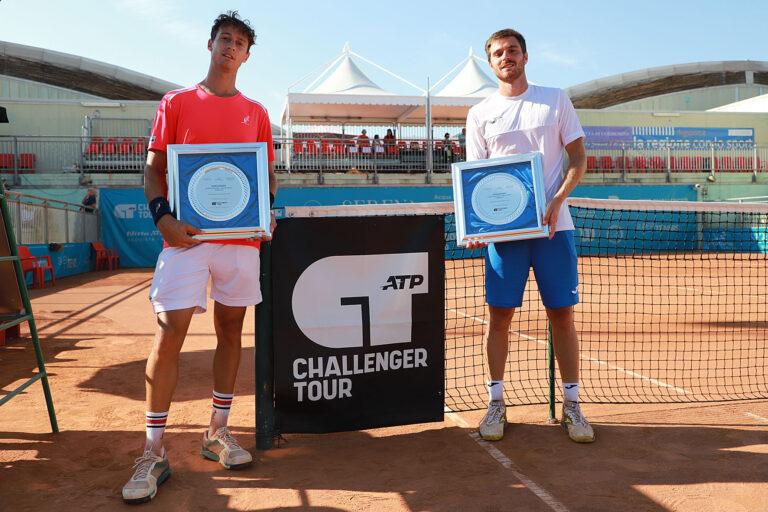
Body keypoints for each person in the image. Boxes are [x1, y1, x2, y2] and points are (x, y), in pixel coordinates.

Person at [121, 11, 278, 504]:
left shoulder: (256, 111)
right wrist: (162, 218)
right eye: (224, 39)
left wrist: (265, 213)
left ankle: (217, 430)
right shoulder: (177, 102)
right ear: (210, 45)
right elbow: (153, 171)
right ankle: (153, 450)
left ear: (247, 55)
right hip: (184, 239)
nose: (231, 48)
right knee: (170, 332)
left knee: (232, 330)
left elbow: (267, 176)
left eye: (240, 43)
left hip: (241, 242)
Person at [465, 28, 592, 444]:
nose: (506, 57)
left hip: (555, 227)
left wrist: (557, 200)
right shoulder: (480, 113)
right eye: (498, 53)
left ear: (525, 56)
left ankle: (572, 406)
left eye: (513, 51)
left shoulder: (555, 99)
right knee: (499, 317)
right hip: (506, 236)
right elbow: (477, 180)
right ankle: (496, 403)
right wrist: (477, 225)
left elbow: (578, 157)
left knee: (562, 315)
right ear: (491, 62)